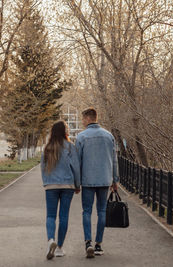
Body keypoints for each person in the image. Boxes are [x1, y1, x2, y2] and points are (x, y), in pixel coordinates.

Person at [75, 108, 119, 258]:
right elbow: (114, 160)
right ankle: (99, 245)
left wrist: (77, 182)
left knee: (86, 211)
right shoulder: (109, 136)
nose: (82, 122)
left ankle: (88, 242)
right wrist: (115, 180)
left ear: (88, 118)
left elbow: (77, 161)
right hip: (105, 179)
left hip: (87, 181)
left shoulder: (81, 137)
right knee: (101, 211)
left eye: (83, 119)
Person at [41, 121, 81, 260]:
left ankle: (51, 240)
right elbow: (76, 167)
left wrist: (46, 182)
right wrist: (77, 185)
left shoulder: (48, 148)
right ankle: (59, 249)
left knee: (50, 216)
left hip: (51, 186)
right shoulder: (70, 147)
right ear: (65, 131)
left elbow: (43, 167)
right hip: (67, 186)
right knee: (63, 216)